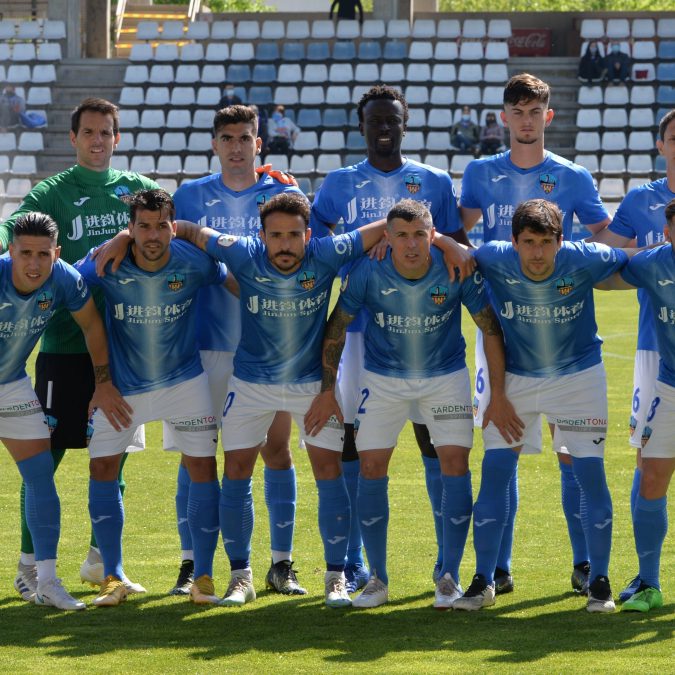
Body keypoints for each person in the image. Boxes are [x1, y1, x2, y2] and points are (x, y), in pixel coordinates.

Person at [175, 192, 408, 607]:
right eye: (276, 235)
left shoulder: (326, 253)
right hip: (249, 385)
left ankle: (335, 578)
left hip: (311, 388)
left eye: (294, 235)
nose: (285, 244)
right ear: (261, 236)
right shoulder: (243, 253)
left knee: (328, 471)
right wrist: (123, 239)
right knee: (237, 472)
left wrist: (397, 236)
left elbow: (394, 222)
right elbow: (189, 230)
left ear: (308, 234)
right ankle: (240, 576)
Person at [304, 199, 520, 609]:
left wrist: (498, 394)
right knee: (370, 467)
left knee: (454, 464)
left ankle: (449, 578)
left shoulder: (454, 268)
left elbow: (490, 329)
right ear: (386, 237)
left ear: (432, 235)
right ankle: (378, 580)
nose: (411, 244)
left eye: (420, 234)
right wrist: (327, 390)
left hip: (445, 378)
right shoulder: (368, 270)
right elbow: (337, 326)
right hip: (383, 379)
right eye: (401, 235)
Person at [309, 84, 473, 594]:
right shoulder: (339, 183)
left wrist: (440, 239)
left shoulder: (434, 181)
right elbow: (318, 247)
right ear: (361, 127)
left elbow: (458, 251)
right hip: (360, 335)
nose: (384, 128)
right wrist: (366, 247)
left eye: (392, 120)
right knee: (359, 446)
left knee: (435, 445)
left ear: (405, 124)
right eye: (375, 121)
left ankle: (445, 564)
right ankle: (358, 563)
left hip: (427, 332)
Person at [0, 97, 158, 602]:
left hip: (123, 349)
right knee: (45, 459)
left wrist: (273, 183)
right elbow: (16, 234)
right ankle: (30, 565)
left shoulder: (138, 191)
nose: (97, 140)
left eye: (105, 132)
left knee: (115, 458)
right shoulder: (53, 191)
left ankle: (100, 561)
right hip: (64, 349)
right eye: (88, 131)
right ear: (73, 138)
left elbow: (176, 220)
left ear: (117, 137)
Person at [459, 73, 611, 597]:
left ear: (548, 117)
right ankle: (496, 569)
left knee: (573, 455)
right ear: (504, 117)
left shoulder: (573, 177)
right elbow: (458, 233)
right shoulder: (480, 172)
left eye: (535, 112)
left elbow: (604, 240)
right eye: (516, 112)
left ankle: (586, 565)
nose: (526, 121)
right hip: (500, 334)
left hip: (564, 331)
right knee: (504, 449)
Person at [156, 105, 305, 597]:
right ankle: (191, 564)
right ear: (215, 144)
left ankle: (281, 564)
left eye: (245, 137)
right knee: (196, 455)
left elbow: (302, 259)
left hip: (268, 348)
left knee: (276, 450)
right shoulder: (190, 196)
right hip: (202, 345)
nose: (237, 146)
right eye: (228, 138)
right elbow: (166, 247)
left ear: (258, 143)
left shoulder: (283, 193)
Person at [454, 198, 629, 613]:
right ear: (512, 242)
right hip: (515, 381)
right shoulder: (494, 257)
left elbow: (636, 259)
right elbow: (453, 248)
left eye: (545, 242)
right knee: (495, 473)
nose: (536, 253)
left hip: (579, 379)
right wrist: (448, 245)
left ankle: (600, 580)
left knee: (590, 475)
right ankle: (483, 579)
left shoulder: (586, 256)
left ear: (560, 240)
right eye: (528, 242)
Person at [77, 189, 227, 608]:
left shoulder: (193, 260)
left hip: (185, 383)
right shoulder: (106, 261)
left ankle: (204, 577)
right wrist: (100, 380)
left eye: (161, 225)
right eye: (143, 226)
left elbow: (235, 279)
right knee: (102, 467)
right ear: (131, 228)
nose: (153, 234)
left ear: (172, 225)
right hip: (122, 388)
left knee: (201, 467)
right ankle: (113, 575)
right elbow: (65, 284)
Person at [0, 212, 129, 611]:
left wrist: (104, 383)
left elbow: (92, 327)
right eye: (25, 254)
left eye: (43, 254)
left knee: (40, 476)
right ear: (11, 251)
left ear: (57, 253)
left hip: (11, 385)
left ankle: (47, 582)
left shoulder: (66, 279)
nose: (34, 264)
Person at [587, 109, 675, 603]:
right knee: (650, 462)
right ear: (660, 145)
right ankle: (648, 576)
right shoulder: (643, 199)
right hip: (654, 348)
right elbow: (604, 258)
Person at [613, 198, 675, 614]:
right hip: (668, 387)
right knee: (652, 477)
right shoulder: (654, 263)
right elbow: (603, 273)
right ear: (668, 232)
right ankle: (650, 583)